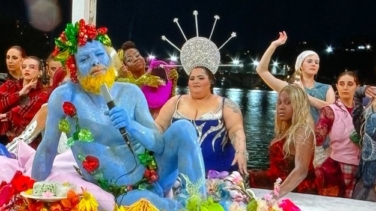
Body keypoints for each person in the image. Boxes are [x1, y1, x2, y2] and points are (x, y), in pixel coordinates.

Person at [28, 19, 205, 210]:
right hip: (122, 191)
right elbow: (47, 149)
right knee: (160, 206)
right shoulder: (64, 97)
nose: (95, 62)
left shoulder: (130, 92)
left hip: (155, 172)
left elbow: (159, 143)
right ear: (74, 68)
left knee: (184, 128)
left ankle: (198, 201)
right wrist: (31, 191)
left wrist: (131, 125)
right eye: (85, 59)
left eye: (99, 54)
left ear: (109, 58)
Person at [249, 85, 317, 198]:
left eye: (288, 102)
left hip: (296, 191)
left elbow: (301, 170)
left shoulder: (303, 130)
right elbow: (277, 170)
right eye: (279, 102)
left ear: (298, 105)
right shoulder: (285, 131)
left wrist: (273, 197)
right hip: (278, 184)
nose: (281, 107)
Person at [256, 31, 335, 123]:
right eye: (309, 61)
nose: (313, 64)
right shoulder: (291, 88)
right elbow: (261, 70)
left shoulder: (326, 88)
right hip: (297, 135)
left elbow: (332, 110)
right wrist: (273, 45)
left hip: (322, 136)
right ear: (301, 65)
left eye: (316, 62)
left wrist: (304, 95)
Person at [314, 71, 360, 198]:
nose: (345, 87)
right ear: (337, 86)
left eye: (350, 84)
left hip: (361, 170)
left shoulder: (363, 110)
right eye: (342, 84)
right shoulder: (330, 111)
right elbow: (318, 138)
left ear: (357, 86)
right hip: (336, 168)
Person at [6, 67, 69, 152]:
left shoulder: (89, 110)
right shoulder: (49, 110)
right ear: (58, 85)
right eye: (67, 84)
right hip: (59, 163)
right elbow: (22, 141)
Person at [117, 41, 178, 118]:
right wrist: (149, 71)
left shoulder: (154, 80)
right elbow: (134, 88)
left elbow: (168, 103)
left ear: (143, 58)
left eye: (137, 55)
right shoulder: (123, 82)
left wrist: (172, 81)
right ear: (124, 66)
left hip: (159, 124)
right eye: (129, 60)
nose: (136, 59)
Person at [0, 56, 49, 145]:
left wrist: (7, 115)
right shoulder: (9, 85)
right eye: (24, 67)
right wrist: (19, 93)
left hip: (27, 143)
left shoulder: (43, 94)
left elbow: (27, 117)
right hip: (3, 137)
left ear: (40, 72)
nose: (27, 69)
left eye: (32, 67)